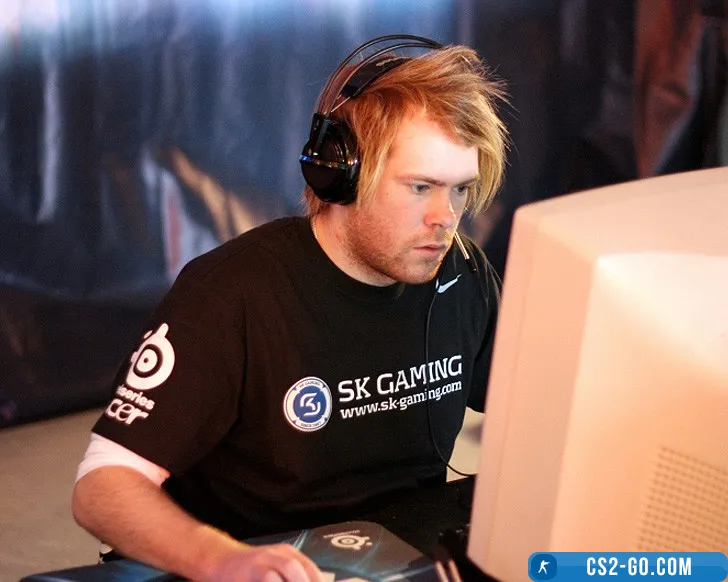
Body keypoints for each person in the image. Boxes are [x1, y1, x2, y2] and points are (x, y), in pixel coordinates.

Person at [72, 35, 508, 582]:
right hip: (248, 563)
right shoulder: (230, 293)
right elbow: (102, 486)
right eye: (421, 187)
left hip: (395, 555)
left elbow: (536, 407)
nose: (446, 217)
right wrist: (223, 560)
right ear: (341, 175)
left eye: (461, 189)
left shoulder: (463, 274)